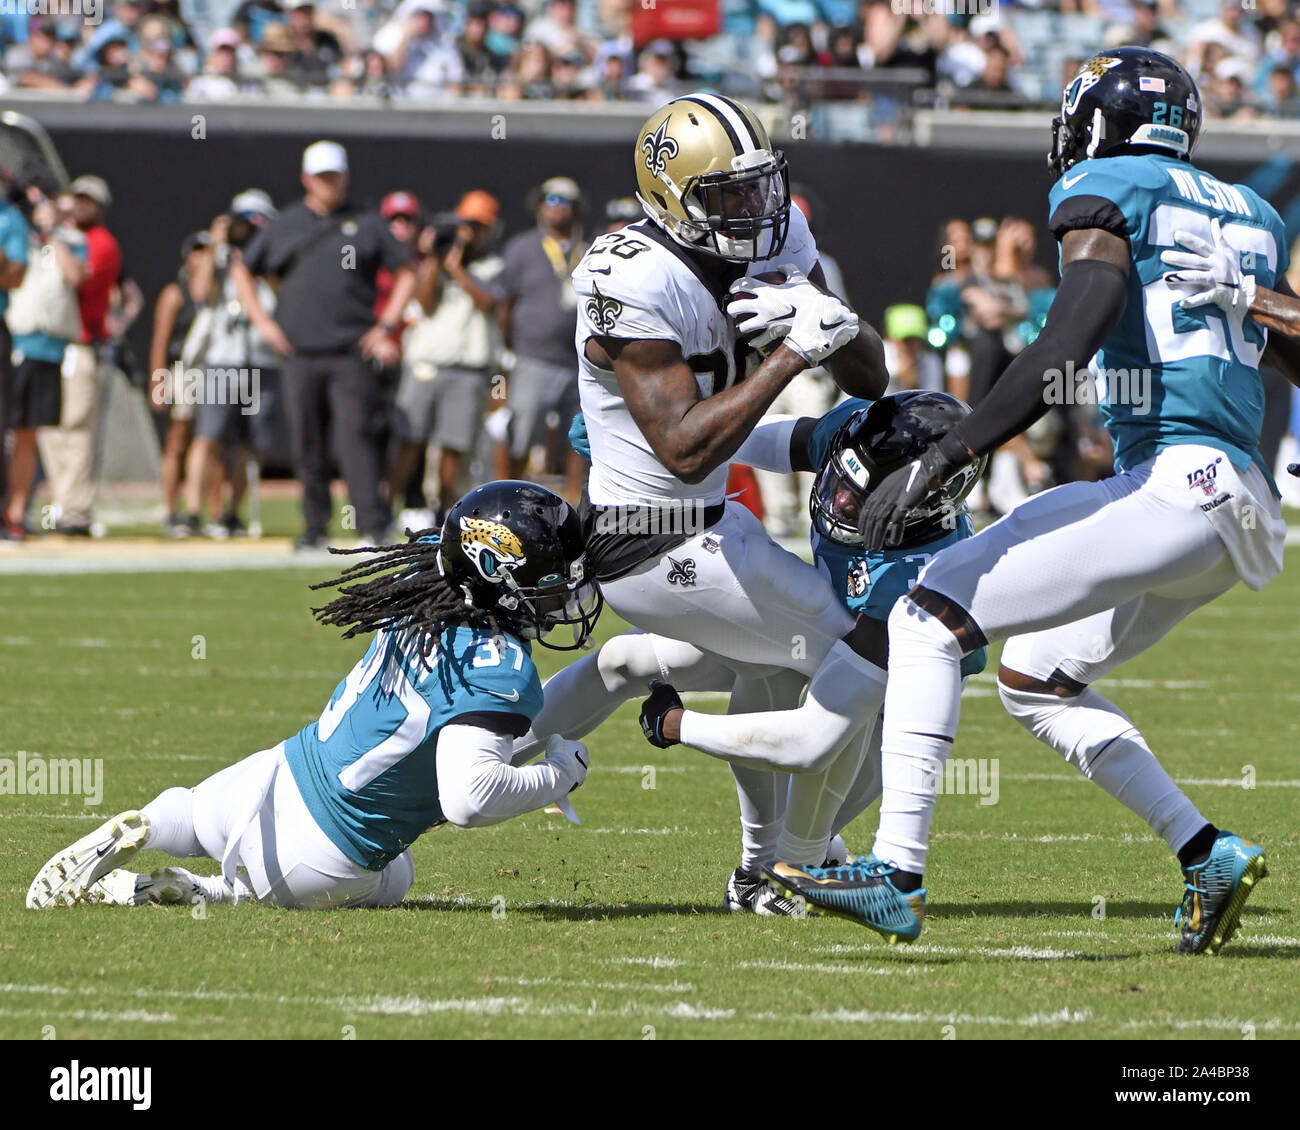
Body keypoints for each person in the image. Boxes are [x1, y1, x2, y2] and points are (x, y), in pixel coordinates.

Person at [772, 48, 1293, 956]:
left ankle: (895, 871)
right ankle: (1206, 853)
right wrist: (1256, 296)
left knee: (929, 612)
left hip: (1173, 485)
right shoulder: (1249, 210)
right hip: (1238, 499)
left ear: (1099, 120)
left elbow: (1074, 327)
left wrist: (962, 443)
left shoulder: (1105, 182)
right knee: (1035, 679)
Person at [548, 92, 886, 913]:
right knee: (873, 662)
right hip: (646, 537)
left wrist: (837, 327)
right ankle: (797, 862)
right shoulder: (630, 273)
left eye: (760, 186)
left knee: (773, 672)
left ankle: (764, 868)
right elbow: (686, 444)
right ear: (670, 199)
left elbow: (870, 384)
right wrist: (792, 354)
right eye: (728, 195)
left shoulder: (781, 234)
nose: (755, 210)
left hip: (706, 519)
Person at [26, 481, 602, 912]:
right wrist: (559, 775)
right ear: (497, 578)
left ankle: (150, 822)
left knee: (197, 814)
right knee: (397, 877)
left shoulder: (422, 578)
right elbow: (469, 799)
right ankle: (213, 891)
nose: (560, 601)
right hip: (327, 854)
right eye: (550, 587)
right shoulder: (497, 666)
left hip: (277, 774)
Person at [232, 141, 416, 548]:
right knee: (306, 440)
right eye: (320, 177)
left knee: (356, 438)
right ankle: (314, 526)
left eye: (333, 176)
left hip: (351, 349)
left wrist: (385, 324)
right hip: (299, 350)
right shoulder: (286, 223)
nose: (328, 184)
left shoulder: (367, 223)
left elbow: (406, 271)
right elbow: (244, 267)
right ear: (306, 179)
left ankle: (370, 523)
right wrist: (263, 322)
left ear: (345, 177)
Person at [387, 190, 504, 527]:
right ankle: (381, 511)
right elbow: (424, 304)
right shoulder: (434, 263)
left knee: (454, 445)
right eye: (465, 225)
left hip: (468, 368)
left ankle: (443, 512)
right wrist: (436, 260)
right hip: (426, 364)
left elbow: (489, 304)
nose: (468, 233)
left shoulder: (493, 264)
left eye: (478, 227)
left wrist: (457, 269)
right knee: (410, 440)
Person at [36, 175, 120, 538]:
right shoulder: (59, 238)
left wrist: (53, 232)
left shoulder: (100, 243)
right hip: (48, 343)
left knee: (76, 428)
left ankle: (76, 510)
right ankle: (62, 502)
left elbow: (80, 281)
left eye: (90, 200)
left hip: (81, 342)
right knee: (49, 427)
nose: (82, 205)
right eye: (78, 198)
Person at [496, 176, 588, 498]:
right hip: (533, 356)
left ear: (576, 209)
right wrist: (509, 347)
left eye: (564, 201)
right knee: (522, 432)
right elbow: (504, 302)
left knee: (579, 436)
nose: (557, 207)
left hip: (580, 360)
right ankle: (507, 499)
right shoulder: (522, 247)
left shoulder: (588, 247)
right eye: (550, 200)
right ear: (539, 205)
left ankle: (576, 504)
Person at [4, 187, 81, 539]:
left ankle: (16, 511)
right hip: (16, 339)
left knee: (27, 432)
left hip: (46, 346)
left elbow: (76, 276)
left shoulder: (63, 239)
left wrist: (50, 234)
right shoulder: (13, 226)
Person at [149, 231, 208, 536]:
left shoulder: (218, 292)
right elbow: (160, 340)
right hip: (182, 372)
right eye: (197, 251)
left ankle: (205, 511)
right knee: (177, 440)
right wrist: (158, 381)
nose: (202, 257)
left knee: (208, 441)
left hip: (213, 372)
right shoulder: (175, 293)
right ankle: (171, 510)